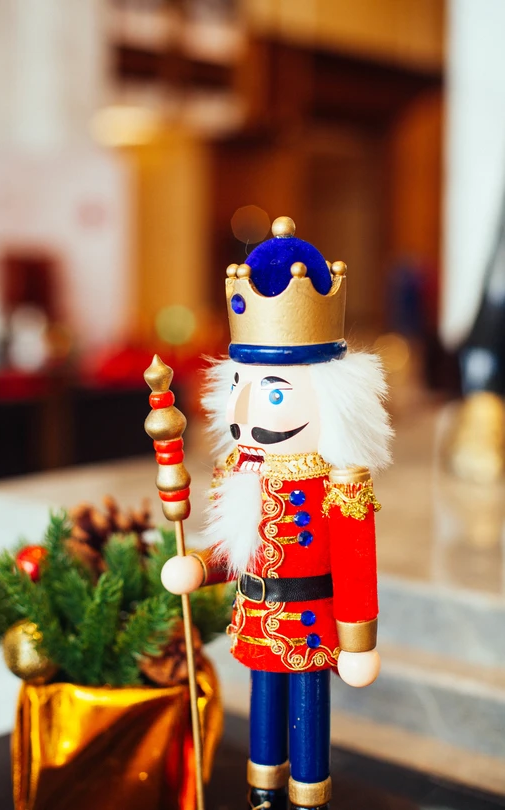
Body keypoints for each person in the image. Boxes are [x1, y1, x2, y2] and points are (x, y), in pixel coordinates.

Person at [161, 217, 393, 810]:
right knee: (263, 720)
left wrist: (359, 640)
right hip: (256, 618)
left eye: (273, 390)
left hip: (312, 623)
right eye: (240, 384)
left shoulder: (339, 481)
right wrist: (199, 567)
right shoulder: (239, 470)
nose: (244, 411)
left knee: (308, 720)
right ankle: (262, 794)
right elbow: (235, 548)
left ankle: (309, 798)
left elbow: (355, 561)